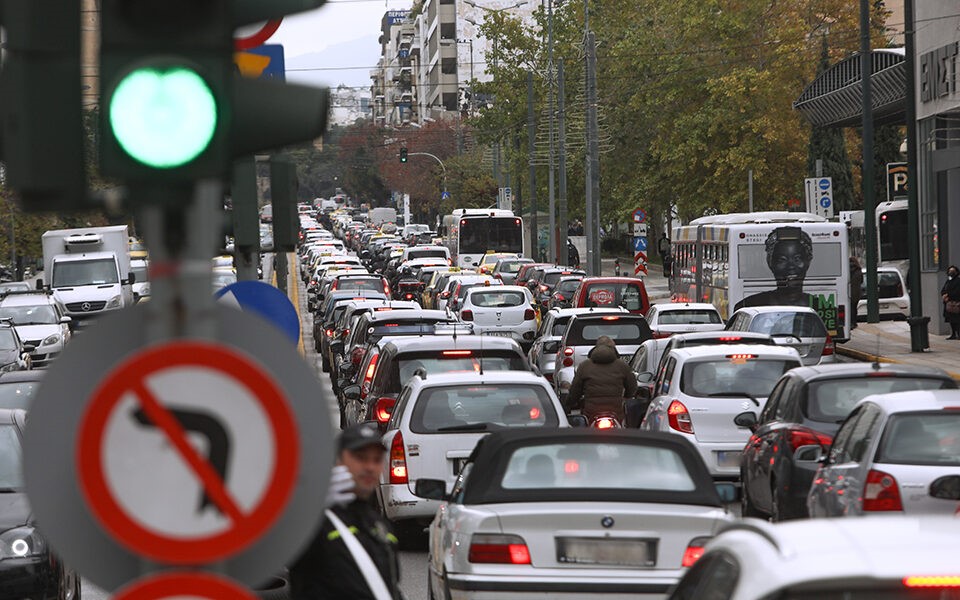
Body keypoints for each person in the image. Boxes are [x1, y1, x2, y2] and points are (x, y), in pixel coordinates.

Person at [289, 423, 402, 600]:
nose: (370, 467)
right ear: (338, 460)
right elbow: (283, 550)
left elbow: (389, 587)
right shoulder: (316, 522)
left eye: (376, 459)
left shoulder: (379, 524)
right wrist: (312, 508)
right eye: (361, 457)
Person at [734, 226, 814, 310]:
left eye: (797, 259)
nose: (791, 266)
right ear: (770, 263)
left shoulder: (821, 306)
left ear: (808, 261)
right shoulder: (748, 305)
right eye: (782, 260)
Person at [565, 336, 637, 424]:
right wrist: (626, 397)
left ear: (596, 348)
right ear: (613, 349)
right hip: (616, 412)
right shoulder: (622, 366)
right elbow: (632, 387)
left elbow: (575, 390)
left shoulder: (584, 366)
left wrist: (569, 404)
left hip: (591, 412)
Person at [941, 265, 960, 339]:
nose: (951, 272)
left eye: (953, 271)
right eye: (950, 271)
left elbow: (957, 291)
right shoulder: (948, 281)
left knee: (957, 319)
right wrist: (943, 295)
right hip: (948, 303)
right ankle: (953, 334)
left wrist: (948, 295)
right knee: (951, 319)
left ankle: (958, 334)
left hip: (956, 303)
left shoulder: (958, 281)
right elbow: (943, 289)